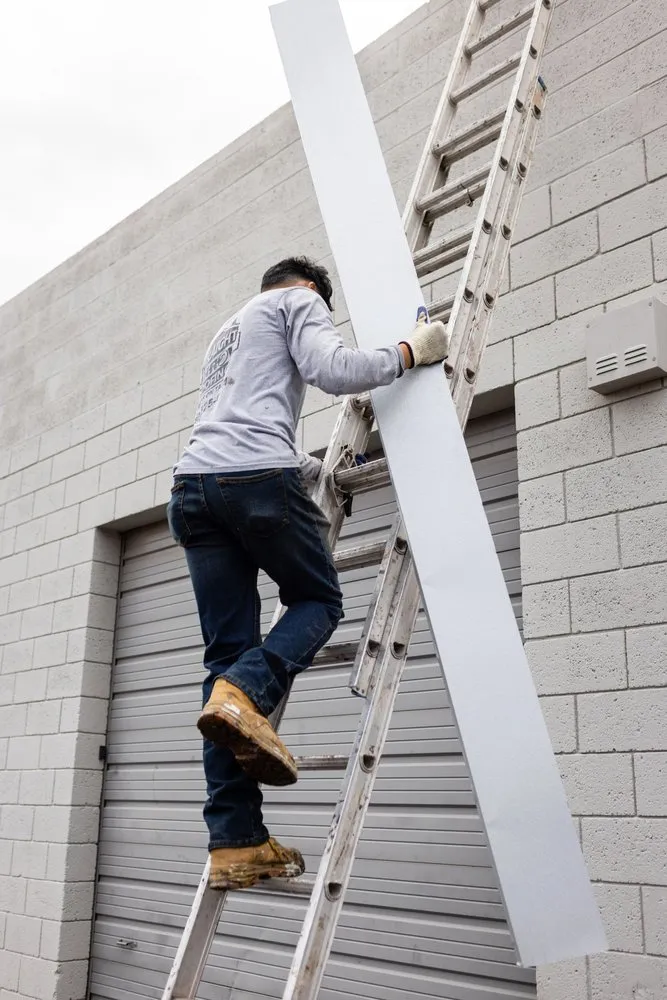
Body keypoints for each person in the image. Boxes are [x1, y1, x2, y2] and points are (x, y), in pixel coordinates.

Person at [167, 256, 448, 890]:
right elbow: (332, 371)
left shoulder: (230, 331)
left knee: (223, 660)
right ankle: (246, 693)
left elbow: (246, 418)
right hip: (253, 481)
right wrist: (408, 351)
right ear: (314, 291)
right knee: (318, 603)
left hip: (191, 490)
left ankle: (235, 843)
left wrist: (308, 469)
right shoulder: (300, 302)